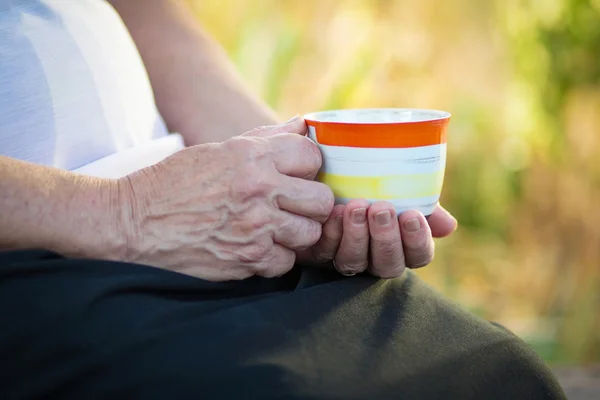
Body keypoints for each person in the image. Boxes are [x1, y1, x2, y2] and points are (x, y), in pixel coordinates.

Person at [0, 1, 565, 399]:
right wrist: (123, 213)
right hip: (47, 256)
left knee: (496, 369)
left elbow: (150, 14)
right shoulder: (120, 217)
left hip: (201, 220)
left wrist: (297, 189)